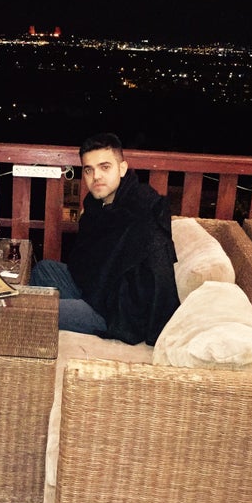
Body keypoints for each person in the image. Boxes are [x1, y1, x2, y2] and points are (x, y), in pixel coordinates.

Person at [30, 133, 179, 345]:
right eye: (89, 170)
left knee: (33, 310)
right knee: (44, 269)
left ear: (122, 168)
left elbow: (159, 274)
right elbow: (87, 258)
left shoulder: (142, 210)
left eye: (105, 167)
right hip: (94, 289)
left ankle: (41, 331)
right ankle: (45, 337)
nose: (96, 176)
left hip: (115, 312)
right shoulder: (96, 205)